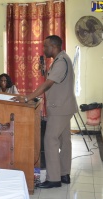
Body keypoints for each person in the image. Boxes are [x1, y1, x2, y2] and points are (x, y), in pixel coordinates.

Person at [12, 35, 78, 188]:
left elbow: (48, 84)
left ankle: (53, 178)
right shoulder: (60, 60)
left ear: (53, 47)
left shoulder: (61, 62)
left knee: (50, 140)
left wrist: (28, 97)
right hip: (64, 106)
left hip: (59, 108)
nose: (44, 49)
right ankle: (64, 174)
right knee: (64, 140)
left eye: (45, 46)